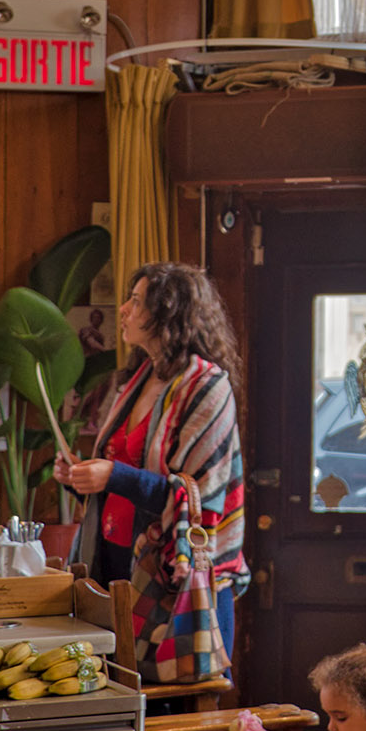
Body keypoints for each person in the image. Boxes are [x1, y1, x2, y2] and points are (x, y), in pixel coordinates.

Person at [60, 263, 248, 668]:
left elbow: (197, 497)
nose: (123, 310)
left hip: (175, 577)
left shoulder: (207, 386)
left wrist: (112, 475)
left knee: (179, 695)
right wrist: (79, 477)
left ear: (168, 314)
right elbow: (121, 474)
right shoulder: (137, 378)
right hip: (115, 562)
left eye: (136, 301)